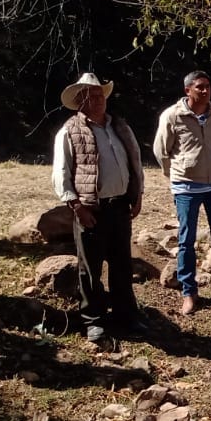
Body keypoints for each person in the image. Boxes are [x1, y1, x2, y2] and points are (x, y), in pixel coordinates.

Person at [51, 73, 146, 344]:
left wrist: (137, 194)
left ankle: (126, 316)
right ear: (80, 101)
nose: (97, 100)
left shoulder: (120, 127)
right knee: (89, 268)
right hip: (91, 209)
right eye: (90, 96)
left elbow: (134, 161)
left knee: (121, 265)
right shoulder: (69, 131)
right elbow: (62, 171)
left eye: (99, 95)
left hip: (120, 206)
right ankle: (93, 321)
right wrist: (76, 206)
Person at [153, 70, 211, 315]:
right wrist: (177, 174)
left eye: (207, 86)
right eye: (199, 87)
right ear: (188, 91)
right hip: (186, 187)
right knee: (186, 241)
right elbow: (161, 151)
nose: (204, 91)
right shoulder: (173, 116)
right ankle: (189, 292)